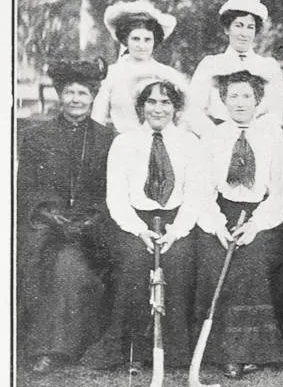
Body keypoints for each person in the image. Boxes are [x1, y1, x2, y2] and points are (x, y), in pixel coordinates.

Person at [82, 80, 205, 369]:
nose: (158, 109)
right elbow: (116, 197)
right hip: (134, 222)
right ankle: (134, 351)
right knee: (134, 264)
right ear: (141, 107)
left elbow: (196, 194)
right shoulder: (124, 142)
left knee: (179, 263)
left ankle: (173, 352)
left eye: (165, 103)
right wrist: (138, 229)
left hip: (176, 221)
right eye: (151, 102)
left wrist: (177, 232)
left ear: (175, 108)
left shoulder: (189, 143)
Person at [17, 59, 115, 374]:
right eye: (69, 92)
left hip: (92, 229)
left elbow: (109, 191)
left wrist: (88, 222)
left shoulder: (106, 138)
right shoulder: (37, 135)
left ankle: (60, 348)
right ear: (61, 95)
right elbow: (28, 187)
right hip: (46, 225)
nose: (75, 99)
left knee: (71, 265)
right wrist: (52, 216)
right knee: (48, 262)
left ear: (93, 97)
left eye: (82, 93)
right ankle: (47, 347)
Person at [195, 70, 283, 379]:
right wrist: (218, 225)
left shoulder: (273, 134)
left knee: (251, 262)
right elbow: (203, 190)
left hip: (262, 214)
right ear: (223, 100)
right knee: (216, 259)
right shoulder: (213, 136)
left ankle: (254, 352)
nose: (240, 102)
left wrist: (255, 225)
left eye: (246, 96)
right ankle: (225, 353)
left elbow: (280, 190)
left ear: (258, 100)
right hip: (220, 213)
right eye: (233, 96)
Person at [91, 0, 210, 136]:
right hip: (124, 145)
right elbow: (98, 117)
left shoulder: (167, 74)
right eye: (135, 39)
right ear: (125, 40)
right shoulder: (112, 73)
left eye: (147, 40)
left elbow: (190, 113)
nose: (141, 46)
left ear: (155, 41)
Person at [190, 0, 283, 127]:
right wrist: (216, 135)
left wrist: (251, 134)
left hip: (258, 136)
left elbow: (277, 113)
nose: (244, 34)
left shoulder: (268, 66)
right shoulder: (211, 64)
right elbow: (193, 110)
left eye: (250, 27)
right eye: (238, 25)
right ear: (226, 29)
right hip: (217, 138)